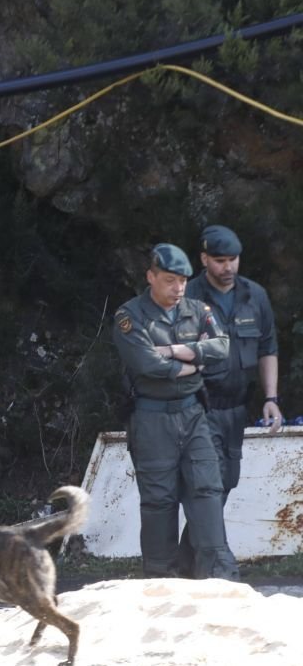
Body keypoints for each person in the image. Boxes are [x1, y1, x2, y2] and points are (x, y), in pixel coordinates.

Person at [112, 243, 239, 580]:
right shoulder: (130, 315)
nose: (178, 288)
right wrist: (191, 365)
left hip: (193, 416)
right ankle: (161, 582)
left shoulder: (198, 310)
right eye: (169, 280)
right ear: (150, 277)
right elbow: (145, 364)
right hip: (152, 419)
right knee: (159, 503)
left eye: (182, 280)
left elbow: (222, 347)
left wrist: (176, 350)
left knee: (208, 493)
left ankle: (218, 578)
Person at [177, 225, 280, 570]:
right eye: (219, 261)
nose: (228, 267)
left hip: (236, 408)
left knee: (225, 482)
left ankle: (186, 562)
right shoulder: (187, 296)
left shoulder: (255, 296)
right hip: (197, 406)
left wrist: (271, 398)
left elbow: (267, 348)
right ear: (204, 259)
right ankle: (218, 565)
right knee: (208, 484)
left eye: (233, 259)